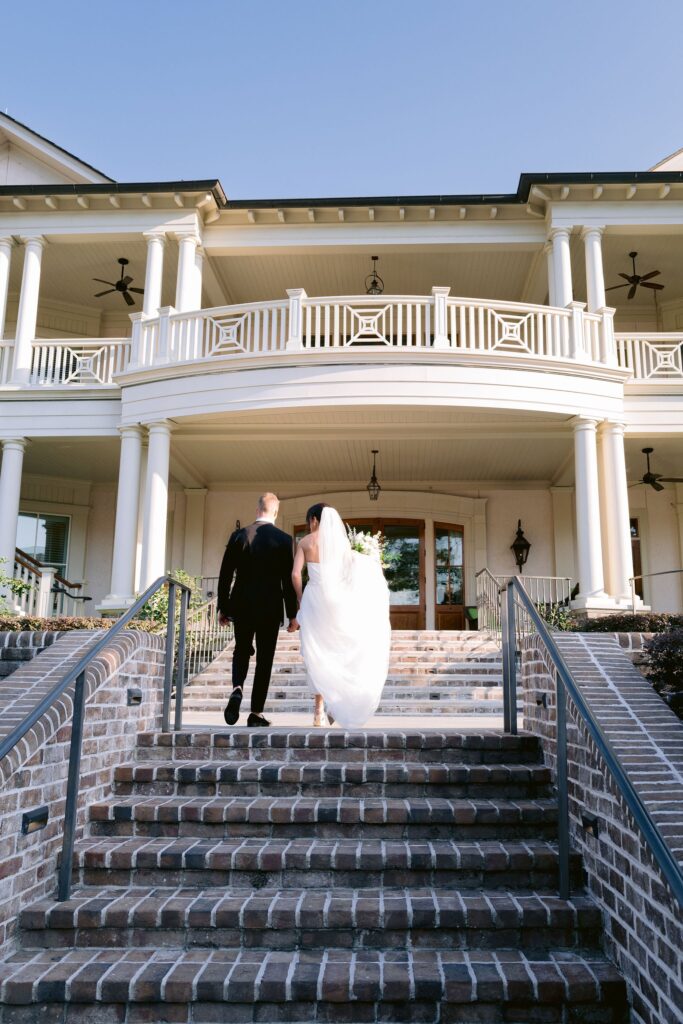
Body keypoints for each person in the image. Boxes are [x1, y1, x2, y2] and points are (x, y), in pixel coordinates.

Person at [292, 503, 391, 729]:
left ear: (315, 520)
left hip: (315, 599)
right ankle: (335, 704)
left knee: (316, 652)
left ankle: (318, 710)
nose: (310, 524)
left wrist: (300, 599)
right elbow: (350, 573)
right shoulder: (341, 543)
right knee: (336, 652)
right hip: (337, 602)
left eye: (310, 520)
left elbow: (296, 574)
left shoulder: (306, 542)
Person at [218, 492, 298, 727]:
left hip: (242, 604)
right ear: (275, 512)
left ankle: (237, 687)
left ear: (257, 510)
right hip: (270, 607)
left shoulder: (239, 536)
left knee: (241, 650)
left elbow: (225, 575)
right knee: (265, 659)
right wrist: (292, 614)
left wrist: (224, 607)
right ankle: (256, 714)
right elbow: (287, 580)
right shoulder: (285, 540)